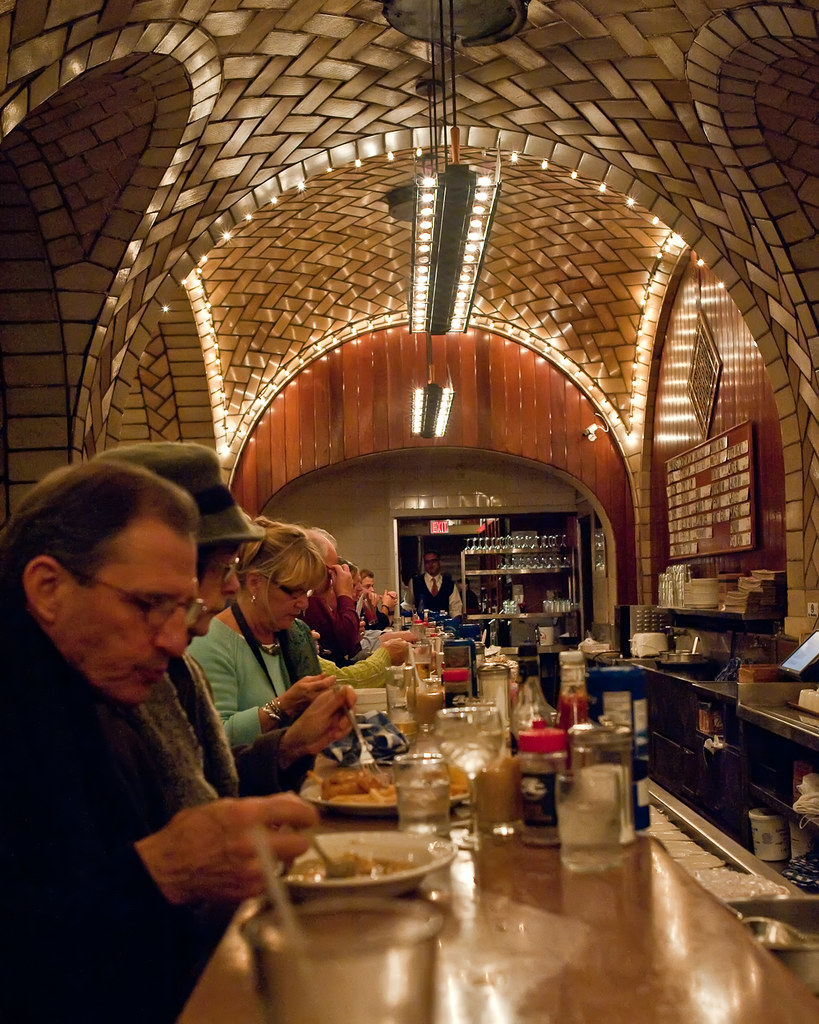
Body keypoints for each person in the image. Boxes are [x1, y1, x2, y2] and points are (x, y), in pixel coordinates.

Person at [0, 460, 322, 1024]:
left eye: (184, 607)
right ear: (48, 588)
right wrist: (160, 871)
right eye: (150, 605)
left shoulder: (91, 678)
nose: (177, 641)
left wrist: (286, 748)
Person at [99, 442, 356, 795]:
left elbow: (208, 775)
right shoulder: (58, 704)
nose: (233, 586)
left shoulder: (172, 666)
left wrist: (289, 746)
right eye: (155, 601)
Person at [189, 518, 408, 746]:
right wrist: (282, 706)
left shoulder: (296, 634)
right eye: (295, 592)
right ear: (255, 583)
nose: (303, 604)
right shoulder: (210, 641)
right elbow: (215, 740)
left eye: (307, 592)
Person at [301, 527, 363, 664]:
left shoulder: (313, 599)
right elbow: (348, 644)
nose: (333, 579)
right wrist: (345, 594)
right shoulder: (308, 601)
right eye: (330, 571)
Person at [404, 549, 463, 619]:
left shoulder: (449, 584)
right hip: (422, 624)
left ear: (439, 562)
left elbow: (455, 609)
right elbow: (408, 605)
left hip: (444, 624)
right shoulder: (415, 582)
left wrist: (455, 622)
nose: (430, 564)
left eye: (433, 561)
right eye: (427, 562)